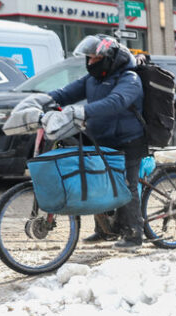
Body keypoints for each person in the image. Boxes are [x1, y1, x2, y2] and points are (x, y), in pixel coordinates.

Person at [46, 35, 147, 249]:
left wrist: (81, 111)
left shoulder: (130, 78)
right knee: (98, 183)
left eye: (94, 59)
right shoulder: (92, 80)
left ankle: (134, 234)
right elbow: (65, 93)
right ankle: (104, 230)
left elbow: (116, 102)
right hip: (102, 139)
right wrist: (42, 100)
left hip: (129, 140)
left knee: (126, 185)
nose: (90, 63)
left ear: (109, 59)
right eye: (89, 59)